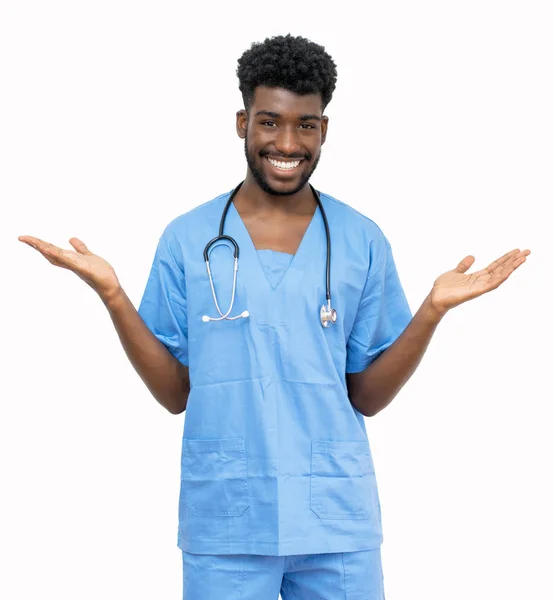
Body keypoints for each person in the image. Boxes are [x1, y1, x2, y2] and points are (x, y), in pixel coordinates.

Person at [19, 34, 530, 600]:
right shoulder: (188, 239)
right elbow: (173, 393)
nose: (287, 142)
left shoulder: (361, 239)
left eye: (305, 124)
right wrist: (113, 296)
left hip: (336, 521)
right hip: (229, 521)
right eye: (269, 122)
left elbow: (367, 396)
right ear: (242, 123)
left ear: (323, 130)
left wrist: (432, 312)